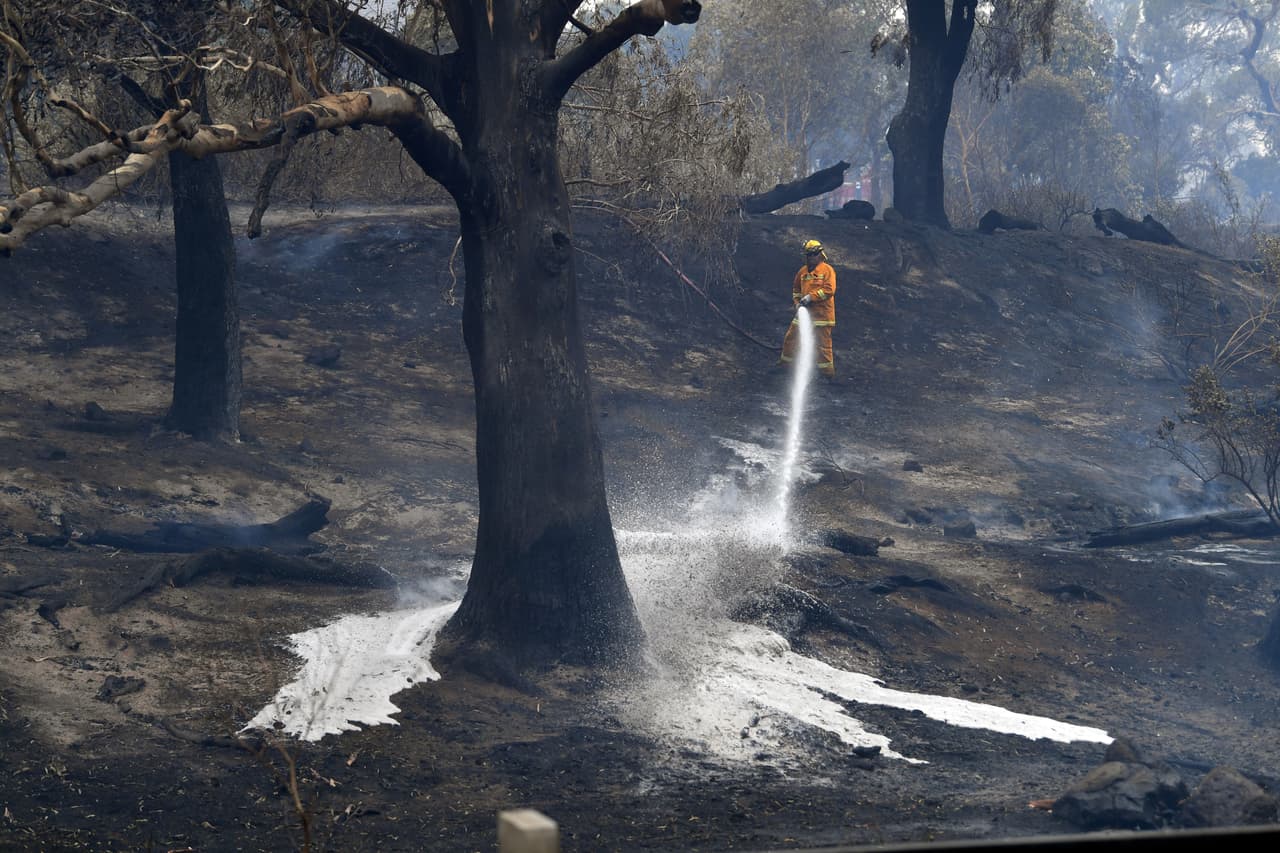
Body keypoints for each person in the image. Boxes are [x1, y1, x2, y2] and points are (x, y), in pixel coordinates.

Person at [779, 238, 836, 379]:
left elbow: (829, 290)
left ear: (820, 255)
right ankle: (785, 366)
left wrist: (811, 297)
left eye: (814, 255)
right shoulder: (802, 272)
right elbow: (796, 290)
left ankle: (827, 374)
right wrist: (797, 303)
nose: (811, 258)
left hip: (822, 315)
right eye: (809, 255)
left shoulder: (827, 270)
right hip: (804, 313)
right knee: (791, 338)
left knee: (823, 346)